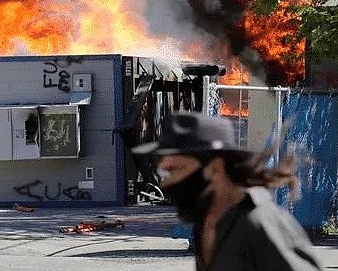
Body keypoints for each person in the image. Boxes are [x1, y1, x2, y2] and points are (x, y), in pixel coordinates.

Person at [132, 112, 322, 271]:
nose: (165, 183)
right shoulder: (205, 220)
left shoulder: (260, 223)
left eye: (174, 170)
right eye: (163, 172)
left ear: (215, 168)